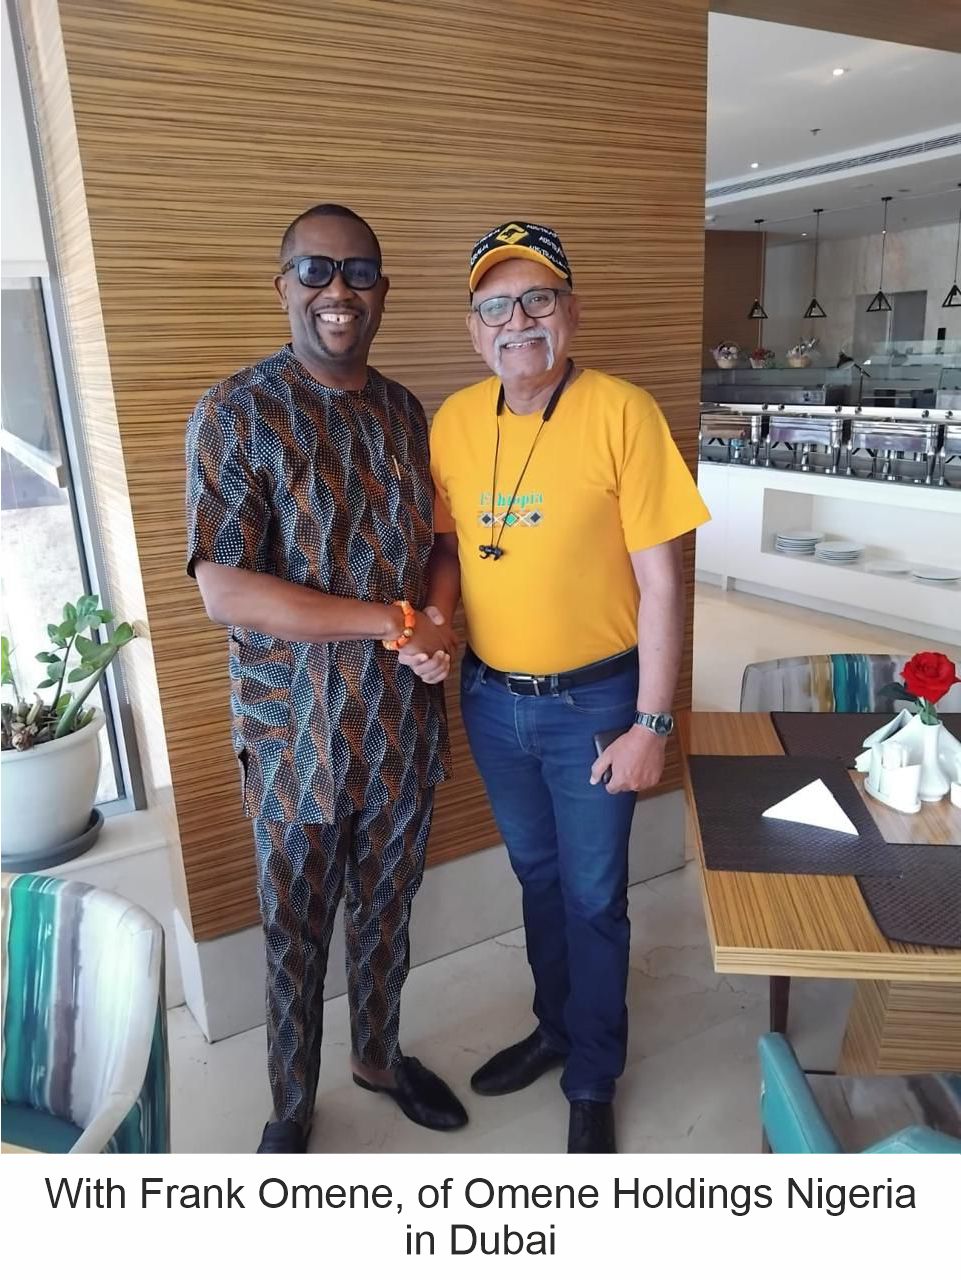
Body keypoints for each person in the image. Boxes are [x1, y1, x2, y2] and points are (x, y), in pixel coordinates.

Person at [413, 221, 709, 1153]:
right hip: (492, 701)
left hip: (596, 704)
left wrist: (652, 722)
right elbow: (450, 551)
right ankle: (555, 1026)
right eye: (496, 306)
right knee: (537, 878)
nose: (518, 321)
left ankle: (592, 1074)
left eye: (537, 299)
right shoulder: (454, 422)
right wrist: (435, 626)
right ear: (474, 331)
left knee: (591, 896)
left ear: (569, 312)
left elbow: (661, 584)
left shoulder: (623, 412)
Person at [185, 202, 467, 1154]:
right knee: (294, 932)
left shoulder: (406, 412)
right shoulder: (235, 411)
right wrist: (393, 620)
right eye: (315, 270)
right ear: (283, 287)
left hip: (400, 721)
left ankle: (379, 1059)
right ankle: (291, 1104)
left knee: (387, 911)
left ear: (382, 291)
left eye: (358, 272)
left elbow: (440, 546)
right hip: (293, 733)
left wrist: (437, 621)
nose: (337, 290)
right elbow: (225, 588)